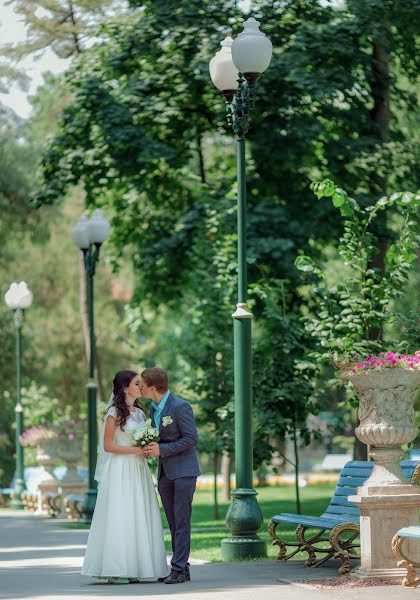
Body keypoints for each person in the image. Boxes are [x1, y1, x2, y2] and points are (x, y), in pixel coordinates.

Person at [81, 370, 169, 584]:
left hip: (138, 470)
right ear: (124, 388)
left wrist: (146, 448)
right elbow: (108, 445)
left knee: (137, 513)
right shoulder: (114, 412)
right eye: (137, 383)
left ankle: (135, 566)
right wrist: (137, 451)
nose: (141, 386)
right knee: (120, 515)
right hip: (120, 469)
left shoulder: (139, 413)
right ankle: (115, 568)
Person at [141, 367, 201, 584]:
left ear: (153, 387)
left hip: (184, 472)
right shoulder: (152, 408)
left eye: (142, 384)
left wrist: (161, 450)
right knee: (174, 522)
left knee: (182, 521)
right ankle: (182, 569)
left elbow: (191, 439)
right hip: (165, 472)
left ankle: (177, 568)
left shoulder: (180, 406)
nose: (140, 387)